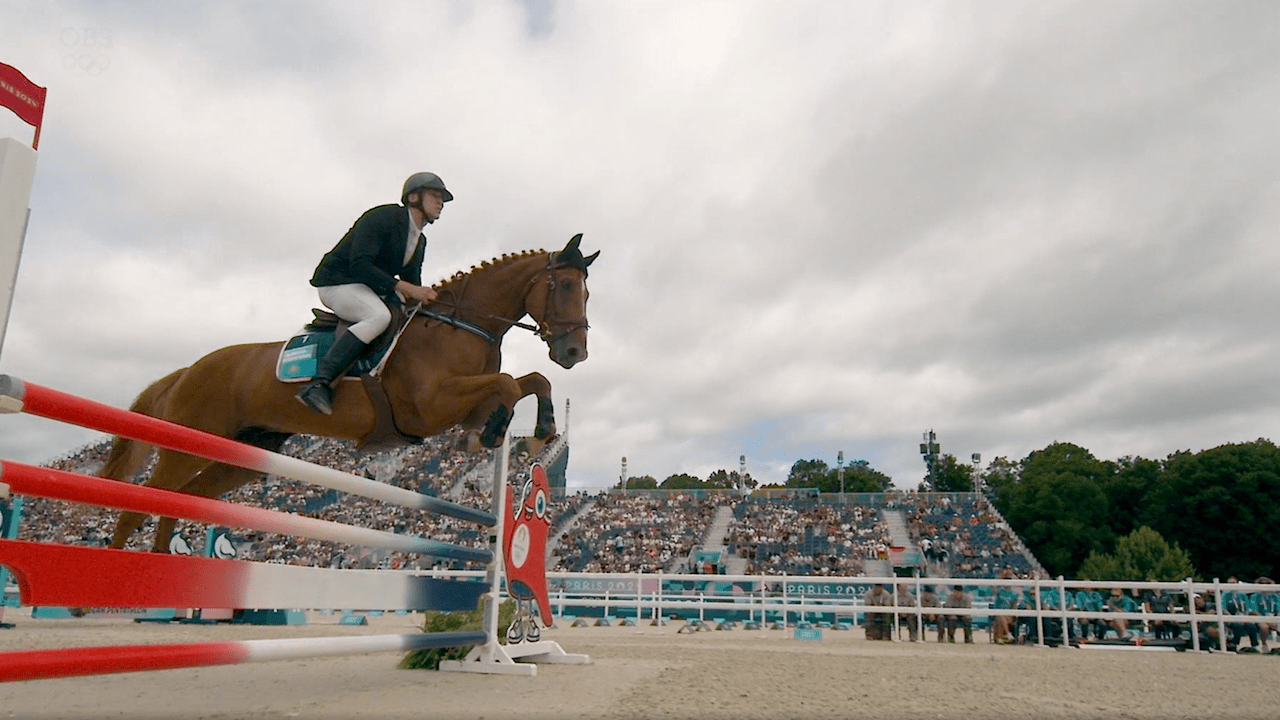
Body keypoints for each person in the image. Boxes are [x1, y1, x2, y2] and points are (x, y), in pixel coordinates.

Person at [296, 172, 452, 414]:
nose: (440, 202)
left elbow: (412, 283)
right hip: (337, 284)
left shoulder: (419, 241)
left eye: (442, 198)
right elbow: (360, 265)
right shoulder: (383, 217)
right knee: (378, 317)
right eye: (435, 195)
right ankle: (320, 383)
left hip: (369, 289)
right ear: (413, 197)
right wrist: (408, 289)